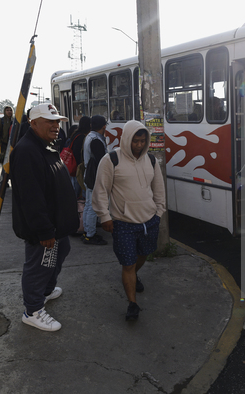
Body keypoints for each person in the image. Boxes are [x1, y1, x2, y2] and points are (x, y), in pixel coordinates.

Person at [10, 103, 78, 332]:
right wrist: (44, 230)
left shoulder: (45, 146)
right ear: (34, 123)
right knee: (40, 264)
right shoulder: (28, 150)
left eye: (57, 121)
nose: (56, 126)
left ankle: (46, 291)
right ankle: (33, 310)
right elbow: (32, 198)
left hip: (55, 224)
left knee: (62, 251)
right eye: (50, 121)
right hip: (44, 228)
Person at [92, 120, 166, 321]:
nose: (139, 145)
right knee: (127, 264)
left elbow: (158, 189)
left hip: (149, 220)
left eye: (143, 141)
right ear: (126, 139)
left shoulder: (150, 160)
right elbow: (100, 191)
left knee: (142, 255)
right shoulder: (111, 160)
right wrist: (104, 217)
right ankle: (132, 303)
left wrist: (159, 213)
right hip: (123, 223)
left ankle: (133, 275)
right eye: (135, 141)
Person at [81, 115, 109, 245]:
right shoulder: (96, 140)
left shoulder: (89, 137)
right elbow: (101, 161)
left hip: (88, 175)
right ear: (104, 126)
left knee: (88, 205)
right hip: (94, 176)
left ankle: (87, 232)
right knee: (93, 207)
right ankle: (90, 235)